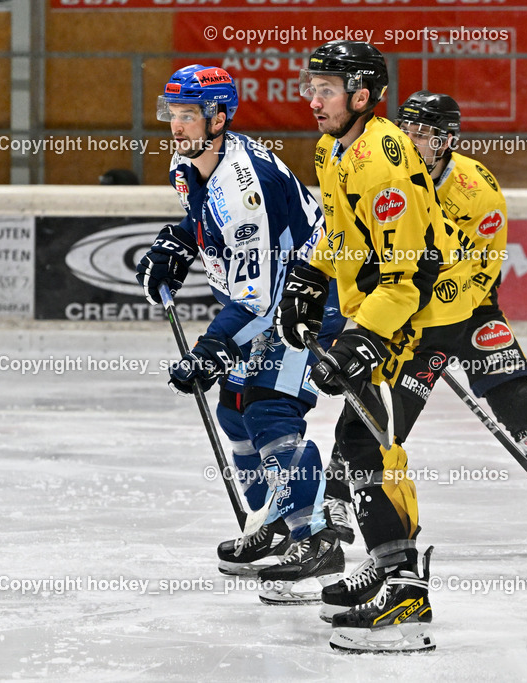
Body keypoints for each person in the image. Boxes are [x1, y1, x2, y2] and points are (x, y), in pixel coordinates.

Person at [277, 42, 487, 653]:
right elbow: (341, 232)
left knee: (374, 440)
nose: (312, 100)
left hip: (424, 316)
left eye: (326, 89)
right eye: (311, 87)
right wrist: (311, 275)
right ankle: (391, 565)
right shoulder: (333, 149)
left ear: (363, 96)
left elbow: (412, 273)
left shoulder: (381, 163)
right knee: (358, 439)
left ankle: (406, 593)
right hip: (393, 310)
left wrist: (362, 337)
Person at [135, 65, 345, 599]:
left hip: (310, 299)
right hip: (265, 298)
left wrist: (210, 349)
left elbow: (258, 296)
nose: (176, 127)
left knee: (270, 408)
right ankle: (277, 518)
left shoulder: (244, 186)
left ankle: (315, 536)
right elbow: (201, 222)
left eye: (188, 116)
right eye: (173, 115)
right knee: (234, 412)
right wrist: (176, 245)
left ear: (219, 117)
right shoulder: (190, 165)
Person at [393, 90, 527, 549]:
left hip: (469, 303)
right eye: (405, 129)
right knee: (387, 411)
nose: (410, 141)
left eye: (421, 134)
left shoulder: (475, 189)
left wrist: (443, 323)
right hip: (404, 307)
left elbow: (483, 266)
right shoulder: (386, 177)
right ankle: (341, 497)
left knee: (517, 398)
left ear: (446, 141)